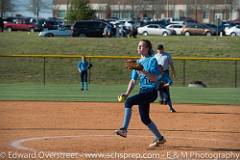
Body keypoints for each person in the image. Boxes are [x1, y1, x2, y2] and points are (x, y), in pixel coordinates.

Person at [115, 39, 166, 148]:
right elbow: (133, 80)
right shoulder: (136, 63)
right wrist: (127, 93)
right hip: (142, 91)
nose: (139, 48)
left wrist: (142, 70)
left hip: (151, 91)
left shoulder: (152, 60)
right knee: (144, 118)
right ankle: (160, 138)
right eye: (138, 46)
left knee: (129, 103)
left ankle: (124, 129)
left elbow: (154, 78)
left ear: (147, 49)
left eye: (142, 46)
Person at [154, 44, 176, 112]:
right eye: (158, 49)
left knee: (166, 89)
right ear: (157, 50)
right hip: (157, 73)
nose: (160, 51)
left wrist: (173, 72)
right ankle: (161, 99)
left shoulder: (167, 55)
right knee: (157, 87)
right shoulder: (155, 56)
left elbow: (171, 64)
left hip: (165, 72)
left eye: (161, 49)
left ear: (163, 49)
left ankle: (170, 106)